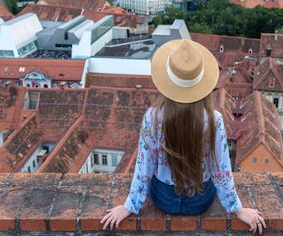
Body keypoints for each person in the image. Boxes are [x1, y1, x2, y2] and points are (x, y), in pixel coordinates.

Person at [101, 39, 266, 234]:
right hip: (200, 200)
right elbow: (220, 169)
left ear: (167, 82)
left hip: (163, 198)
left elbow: (144, 166)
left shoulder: (152, 118)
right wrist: (237, 209)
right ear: (202, 84)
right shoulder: (214, 120)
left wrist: (130, 206)